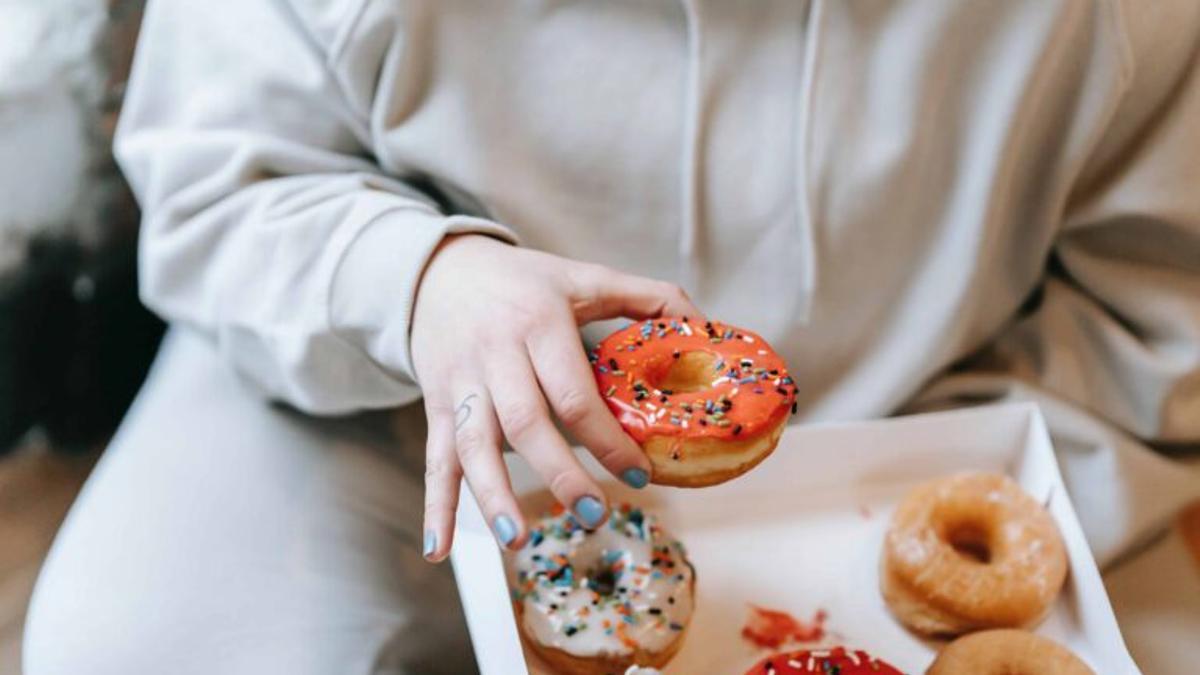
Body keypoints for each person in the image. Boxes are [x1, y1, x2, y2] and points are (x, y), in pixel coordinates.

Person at [24, 1, 1200, 673]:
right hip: (375, 404)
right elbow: (223, 182)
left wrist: (899, 494)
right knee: (136, 645)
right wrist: (421, 277)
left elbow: (1157, 311)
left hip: (918, 425)